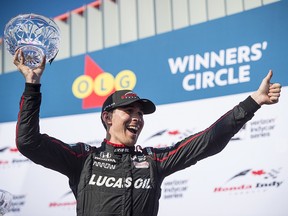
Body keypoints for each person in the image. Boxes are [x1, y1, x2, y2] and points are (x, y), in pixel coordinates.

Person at [14, 49, 281, 216]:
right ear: (107, 117)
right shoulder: (84, 160)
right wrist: (32, 84)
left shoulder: (154, 160)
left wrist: (252, 103)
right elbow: (28, 142)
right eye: (129, 111)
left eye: (140, 113)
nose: (137, 118)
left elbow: (208, 140)